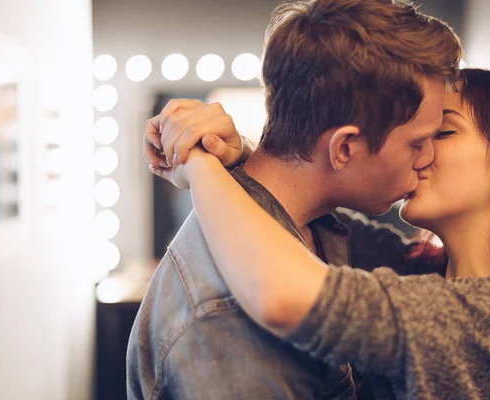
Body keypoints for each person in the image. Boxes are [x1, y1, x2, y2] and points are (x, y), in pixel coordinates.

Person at [158, 69, 490, 399]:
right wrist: (233, 156)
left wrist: (200, 166)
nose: (417, 147)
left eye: (441, 131)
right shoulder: (409, 267)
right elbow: (296, 203)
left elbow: (284, 291)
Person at [128, 0, 462, 398]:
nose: (427, 159)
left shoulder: (316, 225)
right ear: (345, 149)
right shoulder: (227, 317)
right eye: (418, 142)